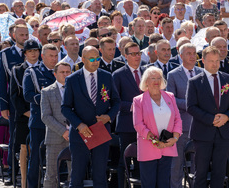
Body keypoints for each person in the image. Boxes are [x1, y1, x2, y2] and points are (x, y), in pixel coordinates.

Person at [61, 46, 120, 188]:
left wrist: (109, 116)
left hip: (101, 131)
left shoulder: (106, 76)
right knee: (77, 175)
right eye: (92, 59)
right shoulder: (73, 79)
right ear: (83, 59)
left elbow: (116, 101)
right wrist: (78, 124)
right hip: (81, 133)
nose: (95, 62)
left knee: (100, 175)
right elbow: (65, 107)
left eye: (98, 58)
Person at [186, 46, 229, 188]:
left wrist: (226, 117)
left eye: (217, 61)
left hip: (224, 133)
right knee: (201, 173)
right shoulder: (195, 82)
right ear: (203, 60)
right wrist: (211, 119)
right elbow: (191, 107)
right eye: (211, 61)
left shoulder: (228, 79)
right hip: (203, 133)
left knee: (220, 172)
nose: (215, 64)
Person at [132, 66, 182, 188]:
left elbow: (178, 120)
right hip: (148, 148)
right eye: (152, 78)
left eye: (159, 78)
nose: (156, 81)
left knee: (164, 183)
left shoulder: (169, 96)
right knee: (149, 184)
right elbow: (138, 124)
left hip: (168, 147)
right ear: (146, 81)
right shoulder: (138, 100)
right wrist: (156, 142)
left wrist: (174, 139)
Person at [166, 43, 203, 188]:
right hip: (181, 125)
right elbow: (171, 99)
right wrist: (191, 104)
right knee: (177, 163)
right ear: (181, 56)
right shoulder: (173, 75)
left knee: (198, 162)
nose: (193, 56)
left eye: (194, 53)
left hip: (200, 124)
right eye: (189, 53)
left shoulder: (202, 72)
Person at [23, 44, 58, 188]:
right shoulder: (32, 72)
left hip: (58, 122)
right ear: (42, 56)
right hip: (39, 122)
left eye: (56, 56)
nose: (54, 59)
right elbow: (28, 95)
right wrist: (47, 98)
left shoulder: (62, 70)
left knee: (58, 158)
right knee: (36, 159)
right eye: (51, 56)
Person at [0, 24, 29, 186]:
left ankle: (30, 170)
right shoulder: (5, 54)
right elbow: (2, 81)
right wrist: (4, 106)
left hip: (31, 103)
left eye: (26, 34)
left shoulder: (34, 51)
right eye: (22, 35)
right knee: (14, 138)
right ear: (13, 36)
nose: (25, 37)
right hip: (14, 103)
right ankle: (12, 172)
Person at [113, 42, 146, 188]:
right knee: (123, 161)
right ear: (126, 56)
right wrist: (133, 106)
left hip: (146, 125)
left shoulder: (147, 71)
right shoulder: (118, 74)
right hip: (127, 124)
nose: (137, 56)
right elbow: (115, 101)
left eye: (138, 53)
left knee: (143, 160)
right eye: (133, 54)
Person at [10, 40, 40, 188]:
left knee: (39, 147)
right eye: (30, 51)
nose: (34, 53)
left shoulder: (43, 68)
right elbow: (14, 95)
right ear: (25, 53)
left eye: (36, 50)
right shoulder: (17, 70)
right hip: (24, 116)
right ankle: (23, 183)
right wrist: (26, 112)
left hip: (41, 115)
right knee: (24, 147)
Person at [41, 62, 71, 188]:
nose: (65, 75)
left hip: (74, 137)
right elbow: (45, 116)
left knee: (74, 174)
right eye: (62, 72)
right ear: (55, 74)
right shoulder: (47, 92)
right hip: (55, 138)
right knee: (51, 175)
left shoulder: (77, 90)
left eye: (67, 72)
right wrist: (63, 131)